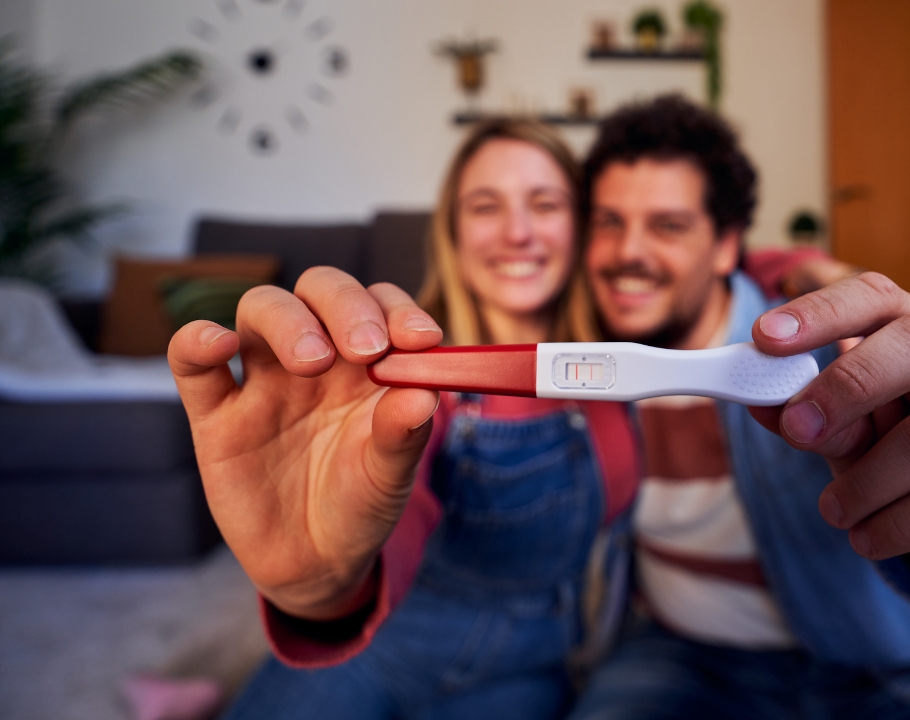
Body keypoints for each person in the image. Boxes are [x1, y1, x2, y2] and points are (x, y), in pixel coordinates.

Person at [169, 117, 837, 718]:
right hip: (380, 652)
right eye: (486, 206)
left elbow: (701, 259)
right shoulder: (409, 377)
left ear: (581, 229)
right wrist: (323, 591)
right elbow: (397, 519)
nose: (518, 231)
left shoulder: (626, 343)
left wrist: (811, 268)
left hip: (532, 672)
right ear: (454, 233)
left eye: (544, 204)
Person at [565, 95, 910, 719]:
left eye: (668, 225)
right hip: (677, 656)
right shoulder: (579, 359)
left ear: (725, 246)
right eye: (608, 222)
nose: (628, 251)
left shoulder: (818, 344)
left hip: (875, 666)